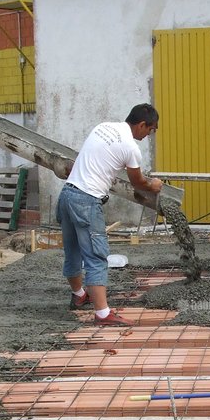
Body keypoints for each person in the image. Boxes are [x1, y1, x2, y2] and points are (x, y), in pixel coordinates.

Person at [58, 104, 163, 326]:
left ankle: (79, 296)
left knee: (73, 251)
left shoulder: (103, 127)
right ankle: (103, 314)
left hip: (67, 194)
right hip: (87, 201)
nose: (149, 135)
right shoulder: (130, 148)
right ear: (142, 124)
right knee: (96, 257)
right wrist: (153, 185)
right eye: (151, 129)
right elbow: (138, 182)